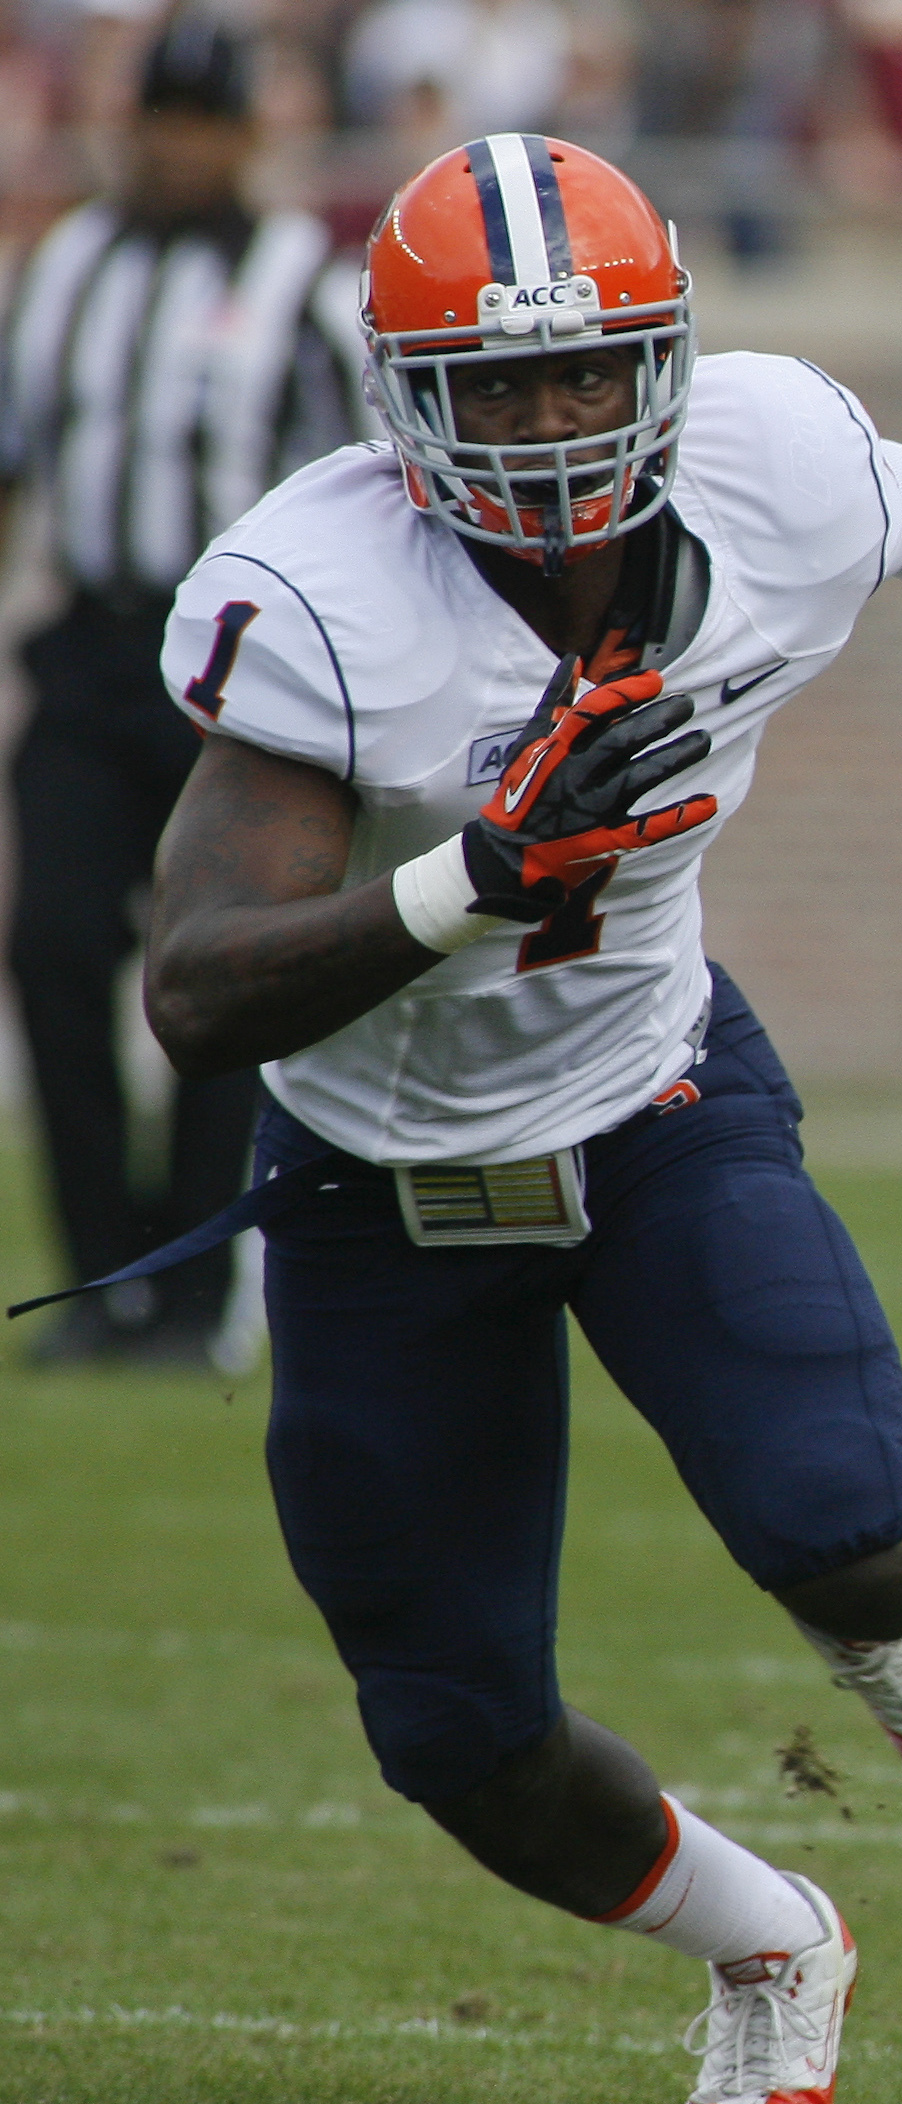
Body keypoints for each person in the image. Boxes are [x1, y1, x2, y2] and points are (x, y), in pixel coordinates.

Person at [45, 134, 902, 2103]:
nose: (545, 421)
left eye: (586, 371)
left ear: (666, 363)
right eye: (499, 383)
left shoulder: (776, 460)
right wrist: (473, 882)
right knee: (452, 1728)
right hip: (372, 1179)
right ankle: (771, 1935)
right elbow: (191, 990)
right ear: (405, 399)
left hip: (651, 1090)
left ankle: (897, 1616)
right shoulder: (324, 591)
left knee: (839, 1527)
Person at [1, 15, 368, 1364]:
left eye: (199, 123)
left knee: (226, 968)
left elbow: (353, 494)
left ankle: (194, 1284)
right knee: (47, 945)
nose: (173, 147)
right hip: (92, 647)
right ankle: (102, 1284)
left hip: (239, 671)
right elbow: (14, 452)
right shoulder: (64, 267)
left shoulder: (302, 286)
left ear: (244, 136)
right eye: (158, 119)